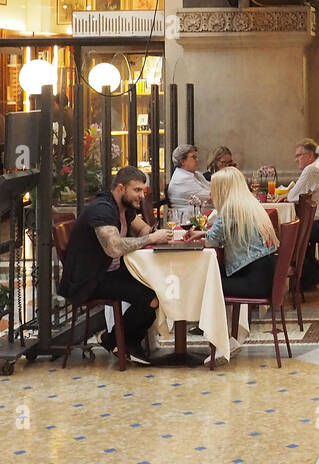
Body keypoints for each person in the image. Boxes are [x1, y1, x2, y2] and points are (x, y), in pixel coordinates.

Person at [58, 166, 172, 366]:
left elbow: (143, 227)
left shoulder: (124, 208)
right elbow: (114, 248)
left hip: (110, 271)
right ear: (121, 188)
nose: (141, 196)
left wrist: (152, 233)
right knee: (150, 298)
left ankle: (119, 341)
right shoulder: (102, 210)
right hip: (90, 278)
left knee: (158, 287)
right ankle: (123, 342)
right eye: (137, 190)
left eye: (142, 191)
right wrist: (151, 238)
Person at [204, 167, 280, 299]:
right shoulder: (250, 203)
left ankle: (208, 320)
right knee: (212, 277)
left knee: (204, 283)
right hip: (265, 276)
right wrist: (202, 234)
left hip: (253, 282)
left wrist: (204, 235)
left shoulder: (231, 207)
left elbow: (211, 241)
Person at [286, 138, 319, 290]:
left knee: (290, 234)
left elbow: (292, 197)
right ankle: (314, 273)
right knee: (297, 231)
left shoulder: (312, 169)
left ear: (310, 155)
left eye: (299, 155)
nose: (296, 160)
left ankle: (309, 277)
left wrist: (286, 194)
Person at [167, 145, 212, 209]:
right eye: (193, 157)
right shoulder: (181, 179)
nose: (197, 160)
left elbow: (212, 187)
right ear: (182, 161)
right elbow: (211, 196)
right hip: (189, 217)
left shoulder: (195, 174)